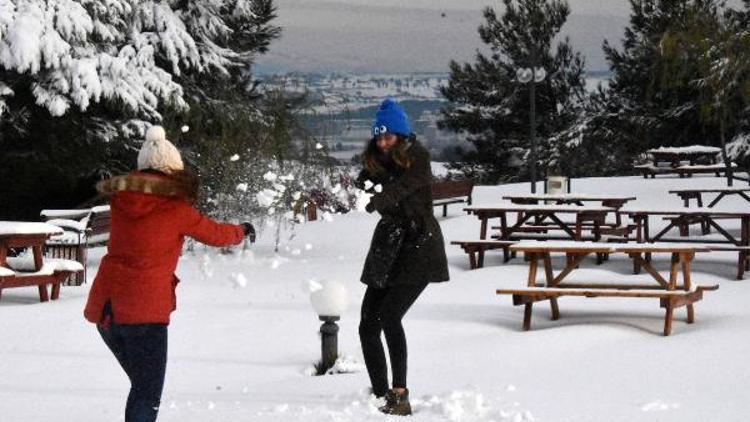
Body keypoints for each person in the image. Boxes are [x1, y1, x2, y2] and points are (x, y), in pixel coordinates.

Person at [83, 125, 256, 422]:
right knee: (147, 393)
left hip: (107, 311)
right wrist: (241, 230)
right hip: (144, 313)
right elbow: (214, 233)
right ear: (173, 169)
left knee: (142, 387)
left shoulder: (121, 201)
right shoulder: (175, 208)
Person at [356, 99, 450, 416]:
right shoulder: (377, 158)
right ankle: (379, 391)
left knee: (390, 317)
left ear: (401, 135)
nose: (382, 142)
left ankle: (400, 395)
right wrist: (354, 192)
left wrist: (375, 200)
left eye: (388, 137)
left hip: (419, 246)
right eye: (379, 137)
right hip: (388, 246)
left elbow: (403, 188)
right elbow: (361, 183)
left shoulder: (417, 158)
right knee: (367, 323)